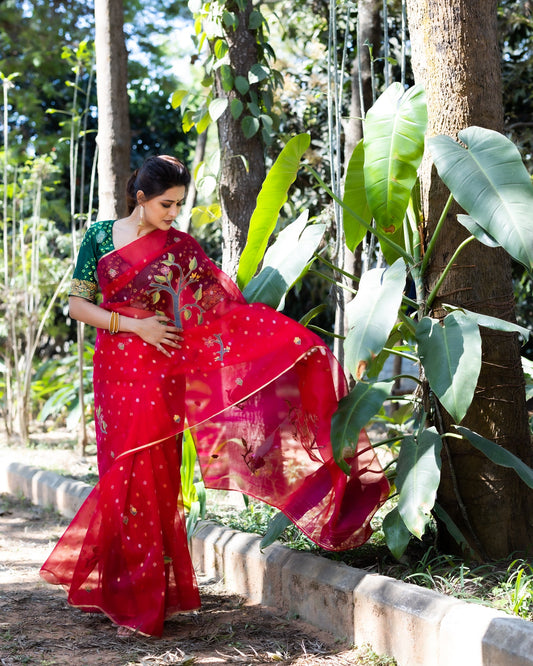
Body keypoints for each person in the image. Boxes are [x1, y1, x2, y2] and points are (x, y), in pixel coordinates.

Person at [40, 155, 389, 638]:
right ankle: (121, 590)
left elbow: (222, 310)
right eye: (166, 204)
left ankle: (146, 599)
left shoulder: (180, 247)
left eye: (179, 205)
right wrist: (135, 324)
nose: (173, 214)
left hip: (164, 374)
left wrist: (290, 344)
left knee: (154, 478)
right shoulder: (100, 237)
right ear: (139, 198)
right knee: (120, 474)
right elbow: (78, 305)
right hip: (116, 372)